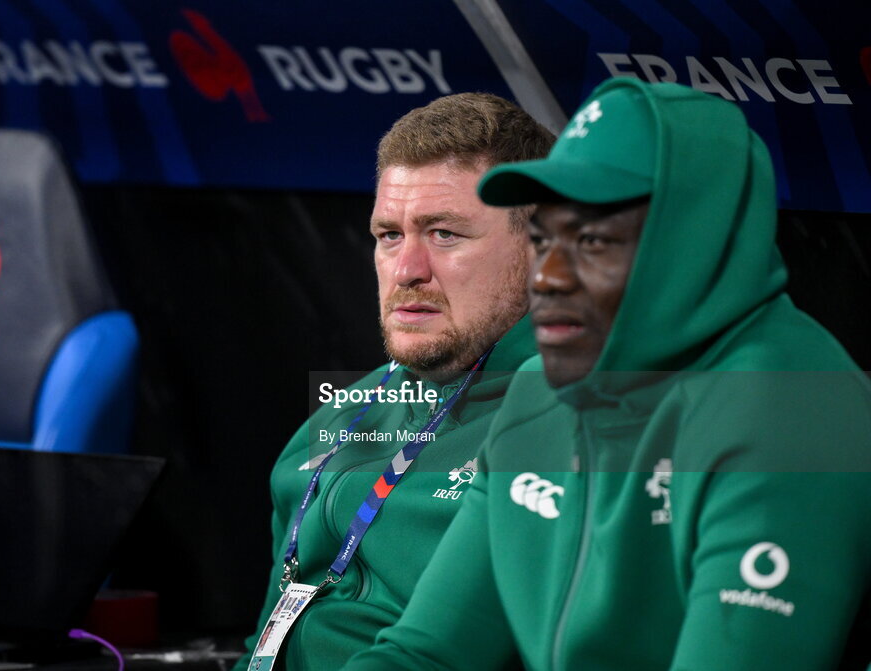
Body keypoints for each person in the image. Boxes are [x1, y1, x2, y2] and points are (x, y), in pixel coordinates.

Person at [343, 79, 871, 670]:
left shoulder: (793, 411)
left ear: (689, 240)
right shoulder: (539, 396)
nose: (548, 278)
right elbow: (426, 655)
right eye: (544, 239)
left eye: (592, 240)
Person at [233, 93, 554, 671]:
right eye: (389, 235)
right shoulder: (335, 414)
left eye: (444, 234)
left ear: (541, 249)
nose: (407, 271)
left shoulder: (570, 424)